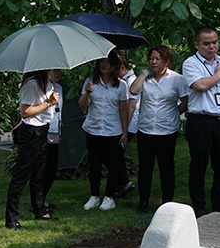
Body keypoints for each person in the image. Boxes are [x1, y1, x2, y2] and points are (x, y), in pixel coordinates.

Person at [182, 27, 220, 217]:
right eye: (207, 43)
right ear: (197, 44)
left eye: (215, 42)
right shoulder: (190, 63)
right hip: (200, 121)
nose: (212, 47)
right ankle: (199, 206)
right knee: (199, 165)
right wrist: (219, 74)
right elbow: (200, 86)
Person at [129, 45, 189, 213]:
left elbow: (184, 101)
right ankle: (143, 203)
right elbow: (133, 90)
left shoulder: (177, 79)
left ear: (167, 61)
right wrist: (143, 73)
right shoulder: (145, 79)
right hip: (146, 130)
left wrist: (173, 114)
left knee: (166, 169)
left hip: (167, 131)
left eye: (158, 58)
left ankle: (167, 204)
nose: (153, 61)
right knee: (145, 169)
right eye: (151, 58)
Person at [5, 69, 59, 230]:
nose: (55, 70)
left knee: (39, 174)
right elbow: (26, 112)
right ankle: (11, 219)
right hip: (31, 133)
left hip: (42, 130)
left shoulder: (47, 83)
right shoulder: (31, 84)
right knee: (21, 176)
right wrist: (48, 103)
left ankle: (40, 210)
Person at [79, 51, 129, 211]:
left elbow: (123, 109)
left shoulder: (122, 85)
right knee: (94, 164)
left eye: (108, 62)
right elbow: (82, 105)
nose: (104, 64)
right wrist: (87, 92)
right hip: (93, 129)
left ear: (114, 65)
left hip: (113, 130)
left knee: (113, 165)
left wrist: (125, 132)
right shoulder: (90, 82)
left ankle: (109, 197)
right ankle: (94, 196)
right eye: (101, 61)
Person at [113, 51, 138, 198]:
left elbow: (131, 107)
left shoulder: (130, 82)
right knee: (116, 155)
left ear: (121, 67)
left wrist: (125, 131)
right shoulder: (127, 80)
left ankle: (123, 183)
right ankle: (120, 185)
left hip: (129, 124)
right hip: (126, 124)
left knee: (116, 155)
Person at [42, 69, 63, 212]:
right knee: (41, 168)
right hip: (43, 131)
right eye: (54, 70)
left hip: (55, 133)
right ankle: (39, 201)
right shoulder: (41, 87)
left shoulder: (59, 88)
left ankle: (42, 198)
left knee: (51, 168)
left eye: (59, 70)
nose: (58, 72)